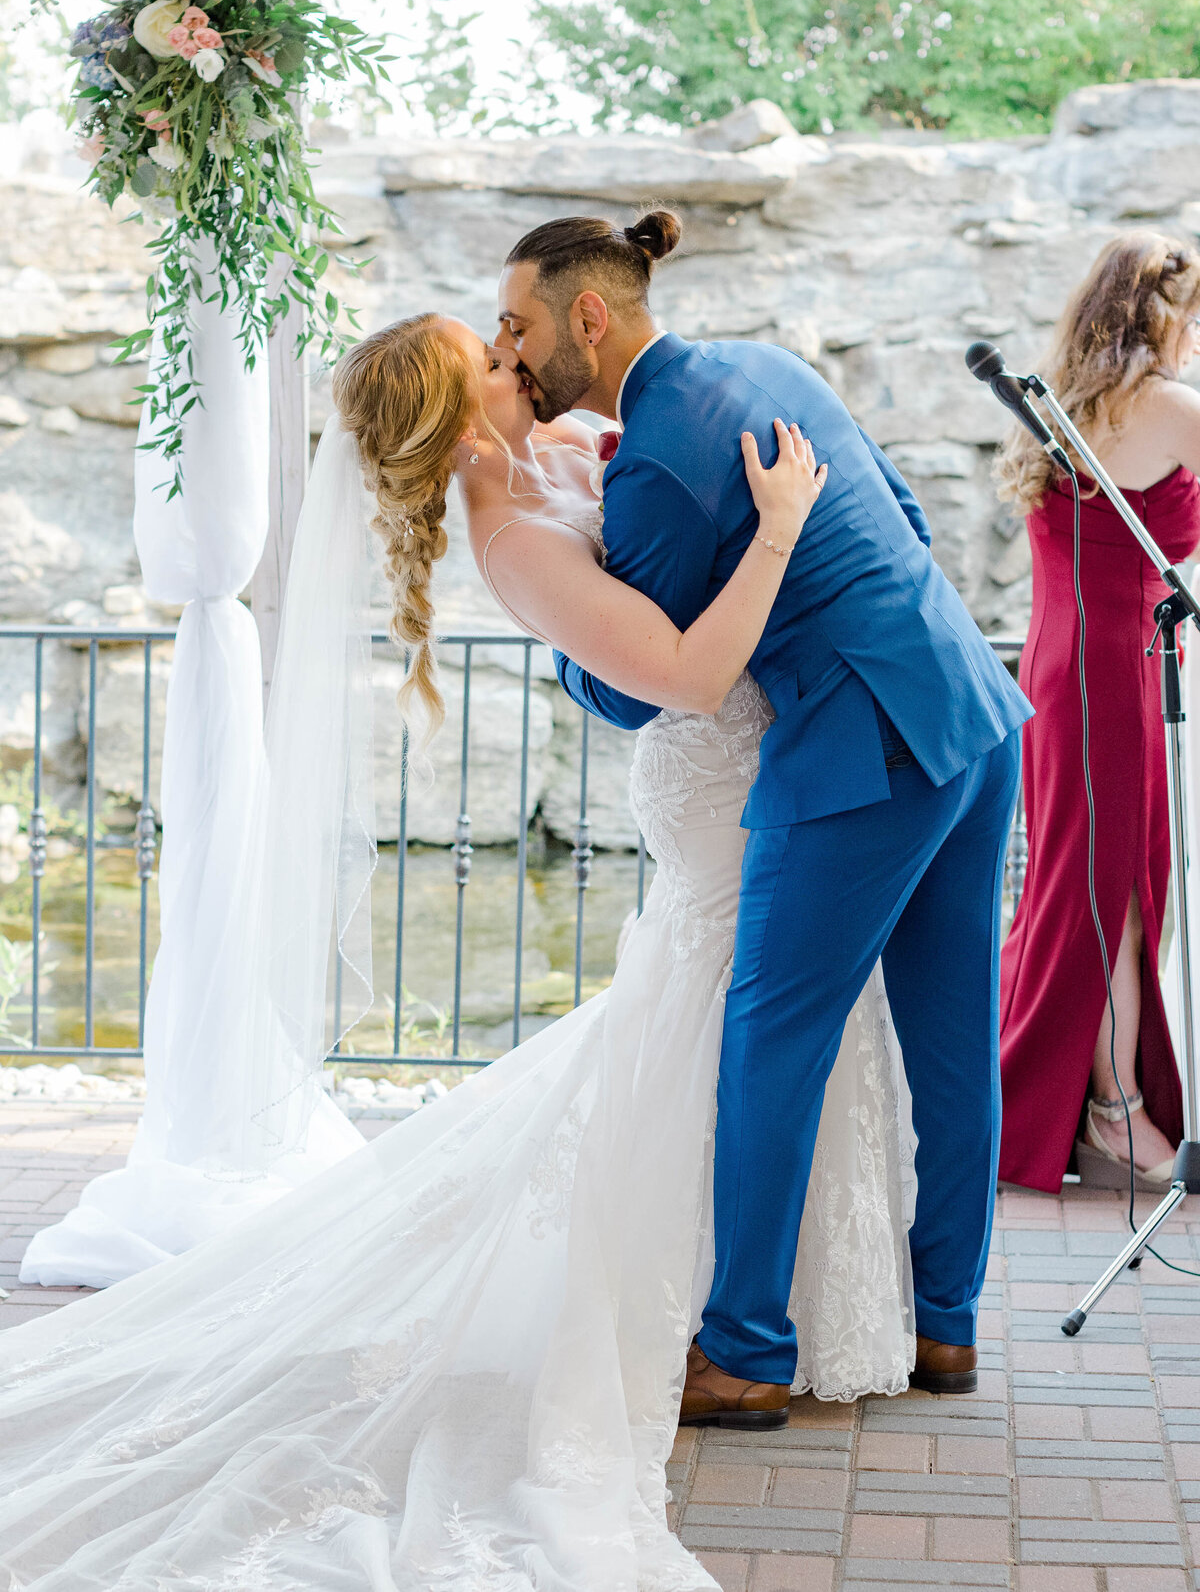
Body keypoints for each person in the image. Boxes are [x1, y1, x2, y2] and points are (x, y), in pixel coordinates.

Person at [0, 244, 917, 1591]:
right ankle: (724, 1318)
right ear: (460, 408)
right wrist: (780, 527)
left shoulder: (556, 449)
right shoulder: (510, 530)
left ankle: (771, 1307)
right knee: (710, 1032)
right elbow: (679, 669)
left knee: (720, 1032)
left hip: (758, 764)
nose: (518, 357)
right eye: (493, 356)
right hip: (719, 778)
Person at [497, 208, 1030, 1420]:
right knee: (953, 1040)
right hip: (970, 710)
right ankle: (946, 1329)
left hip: (863, 751)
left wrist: (564, 651)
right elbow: (911, 517)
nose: (513, 350)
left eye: (521, 325)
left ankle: (741, 1350)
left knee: (770, 1033)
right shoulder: (771, 366)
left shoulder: (656, 467)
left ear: (591, 313)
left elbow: (647, 687)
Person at [996, 234, 1200, 1195]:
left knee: (1089, 880)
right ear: (1160, 315)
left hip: (1060, 665)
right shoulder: (1168, 407)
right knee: (1113, 889)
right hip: (1114, 673)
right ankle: (1114, 1110)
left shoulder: (1064, 403)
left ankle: (1089, 1093)